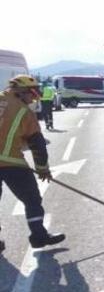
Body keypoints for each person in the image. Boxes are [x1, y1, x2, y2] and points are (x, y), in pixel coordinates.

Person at [0, 74, 65, 253]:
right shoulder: (23, 112)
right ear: (22, 91)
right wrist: (43, 169)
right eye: (33, 93)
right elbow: (37, 144)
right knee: (32, 199)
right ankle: (39, 236)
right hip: (10, 162)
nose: (34, 98)